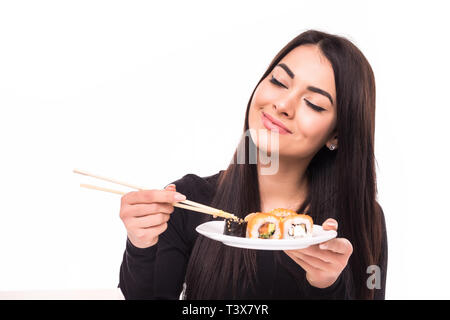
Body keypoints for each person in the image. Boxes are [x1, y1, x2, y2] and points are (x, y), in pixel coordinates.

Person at [118, 29, 388, 300]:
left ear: (336, 134)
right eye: (279, 82)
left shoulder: (364, 219)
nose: (283, 104)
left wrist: (326, 286)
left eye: (313, 104)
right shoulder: (187, 200)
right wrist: (141, 246)